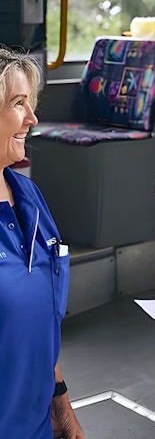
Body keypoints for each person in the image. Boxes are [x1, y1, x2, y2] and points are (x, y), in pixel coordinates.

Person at [0, 47, 84, 439]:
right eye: (19, 104)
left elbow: (39, 324)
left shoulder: (30, 197)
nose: (32, 119)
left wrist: (61, 407)